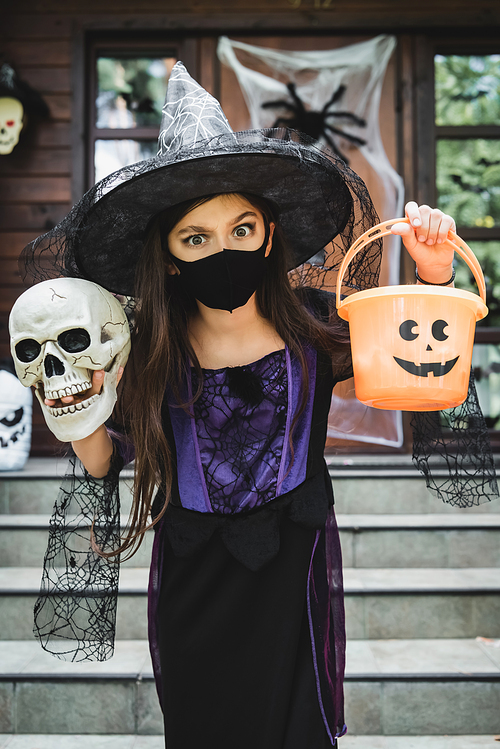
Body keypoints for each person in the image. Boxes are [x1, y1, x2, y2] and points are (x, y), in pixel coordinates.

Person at [20, 62, 487, 748]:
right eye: (197, 238)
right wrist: (74, 401)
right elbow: (101, 456)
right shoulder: (147, 348)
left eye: (241, 229)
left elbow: (424, 371)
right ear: (171, 256)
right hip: (193, 583)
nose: (224, 248)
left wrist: (434, 274)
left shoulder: (319, 329)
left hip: (291, 584)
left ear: (268, 232)